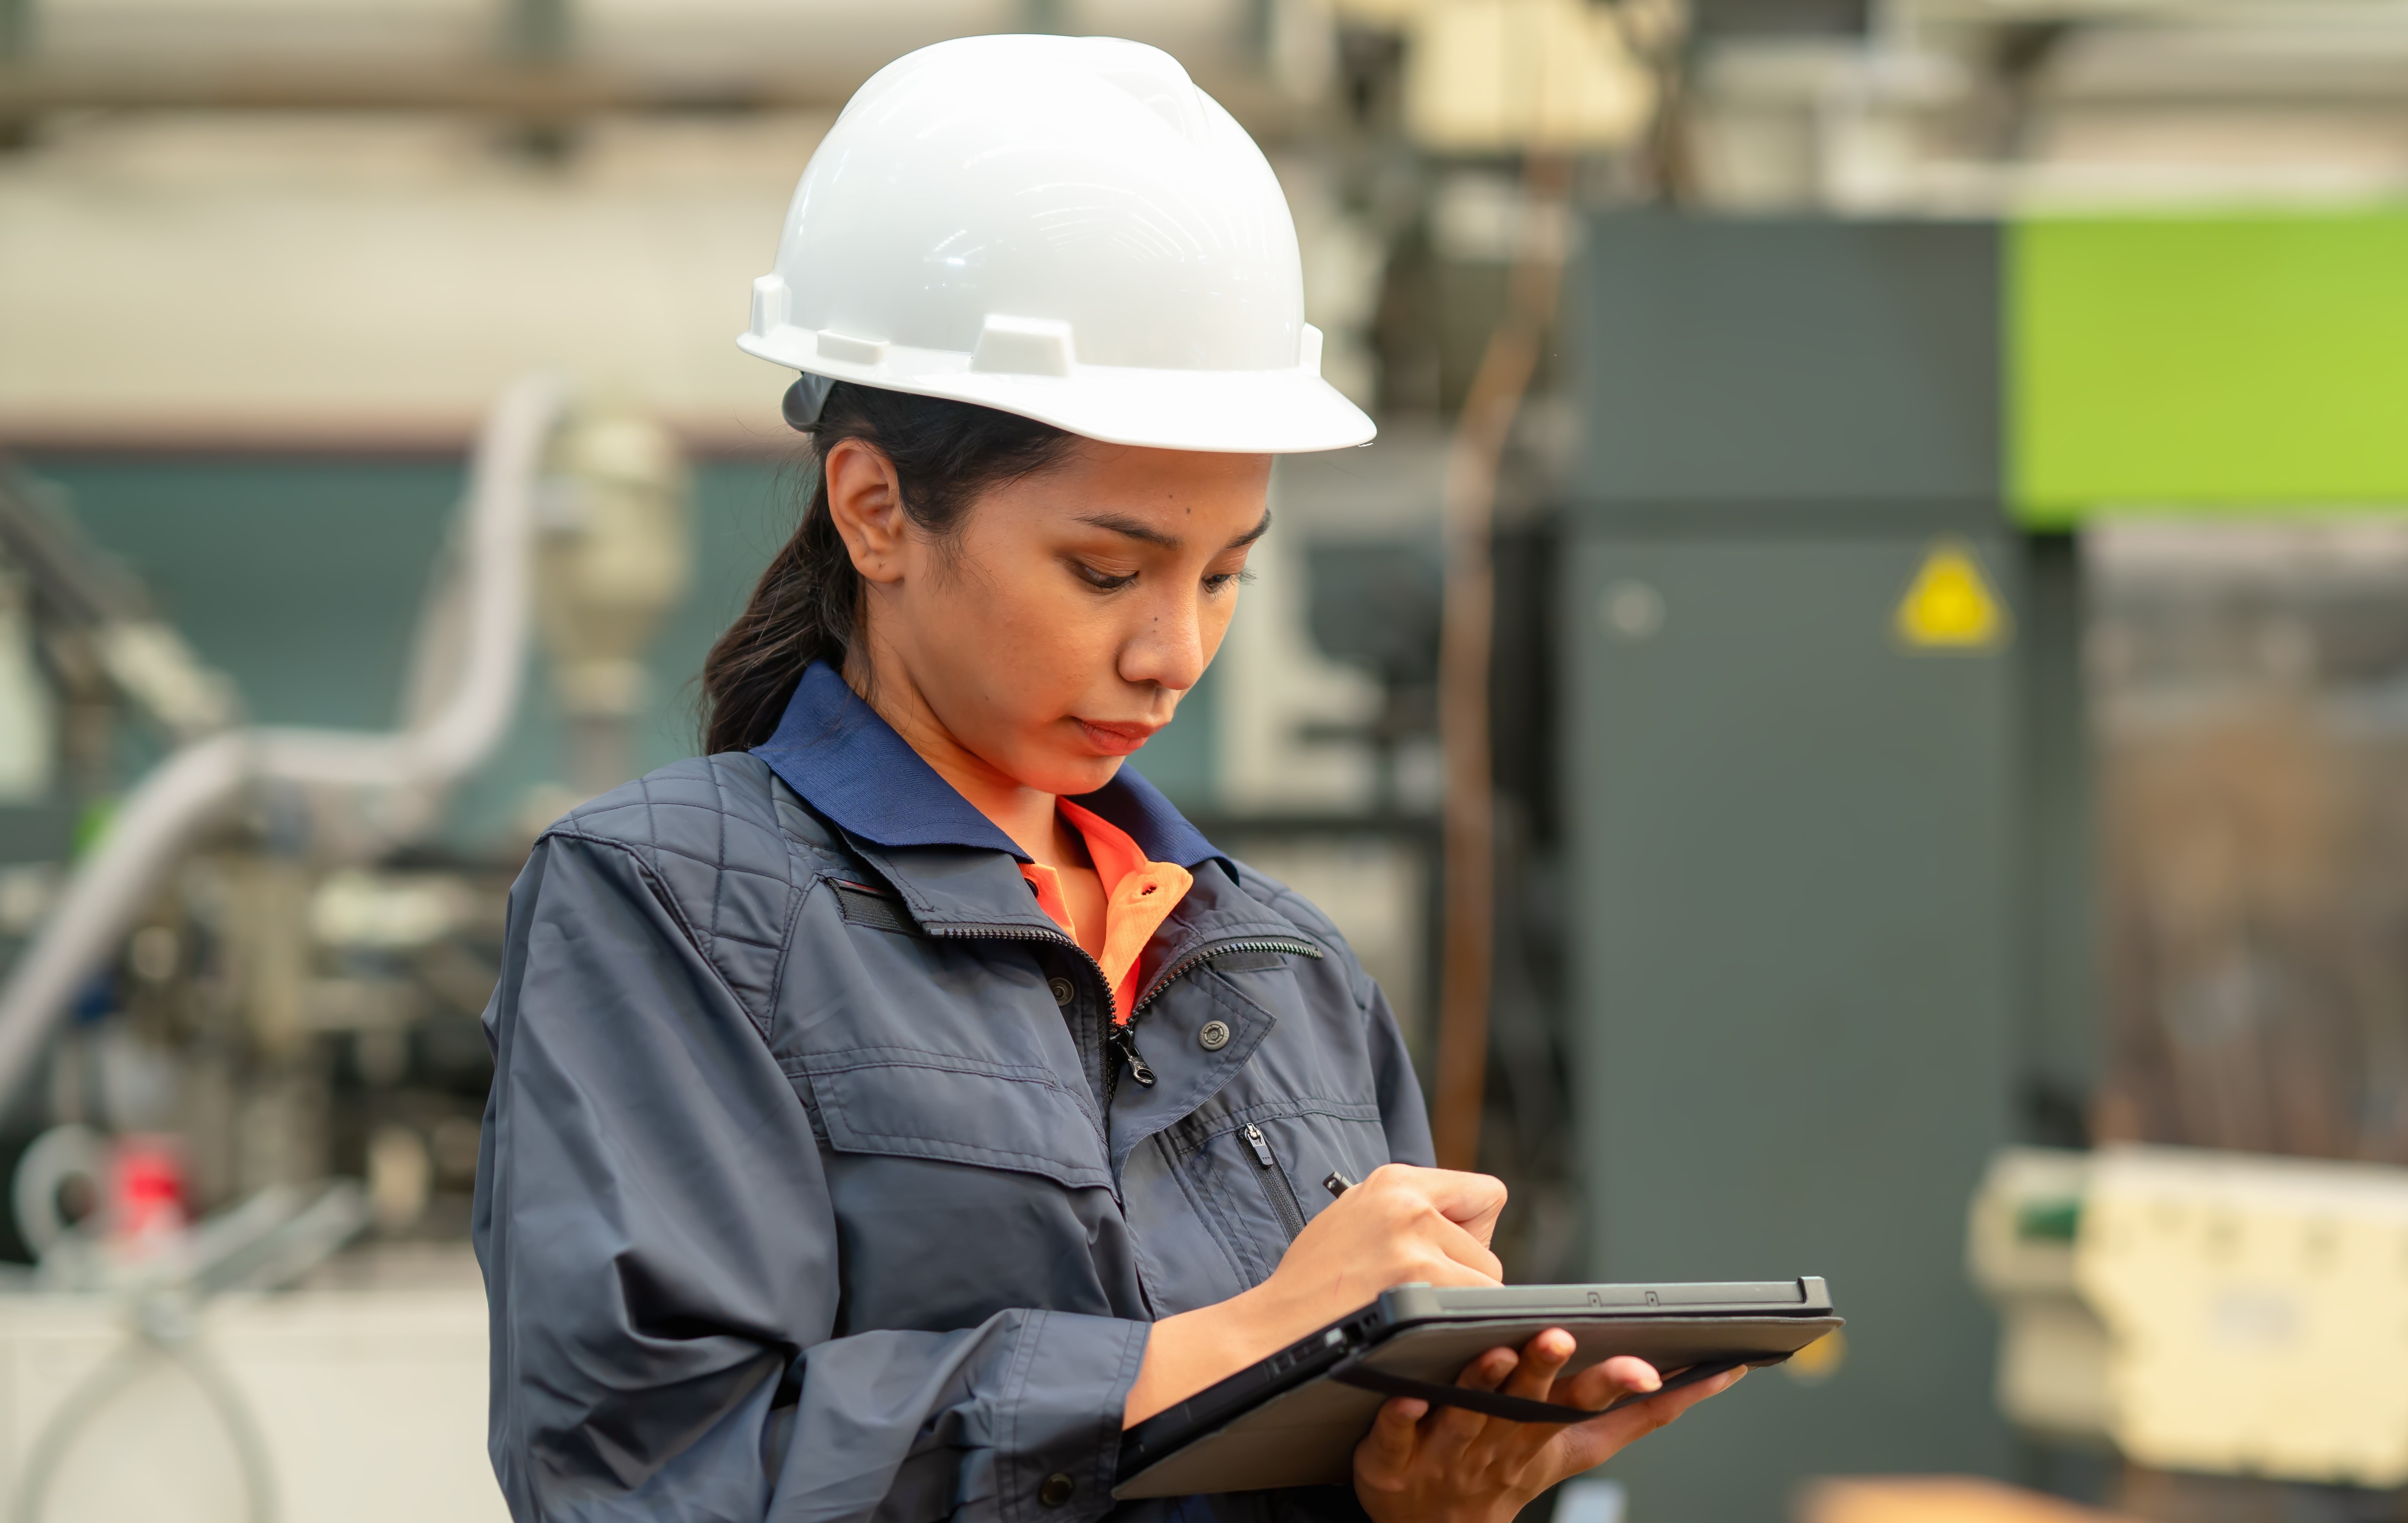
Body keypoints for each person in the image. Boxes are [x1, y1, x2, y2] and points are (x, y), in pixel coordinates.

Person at [470, 35, 1738, 1523]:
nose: (1174, 649)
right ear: (877, 509)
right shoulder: (677, 907)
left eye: (1222, 575)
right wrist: (1222, 1347)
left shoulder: (1284, 973)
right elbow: (652, 1472)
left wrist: (1431, 1501)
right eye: (1108, 568)